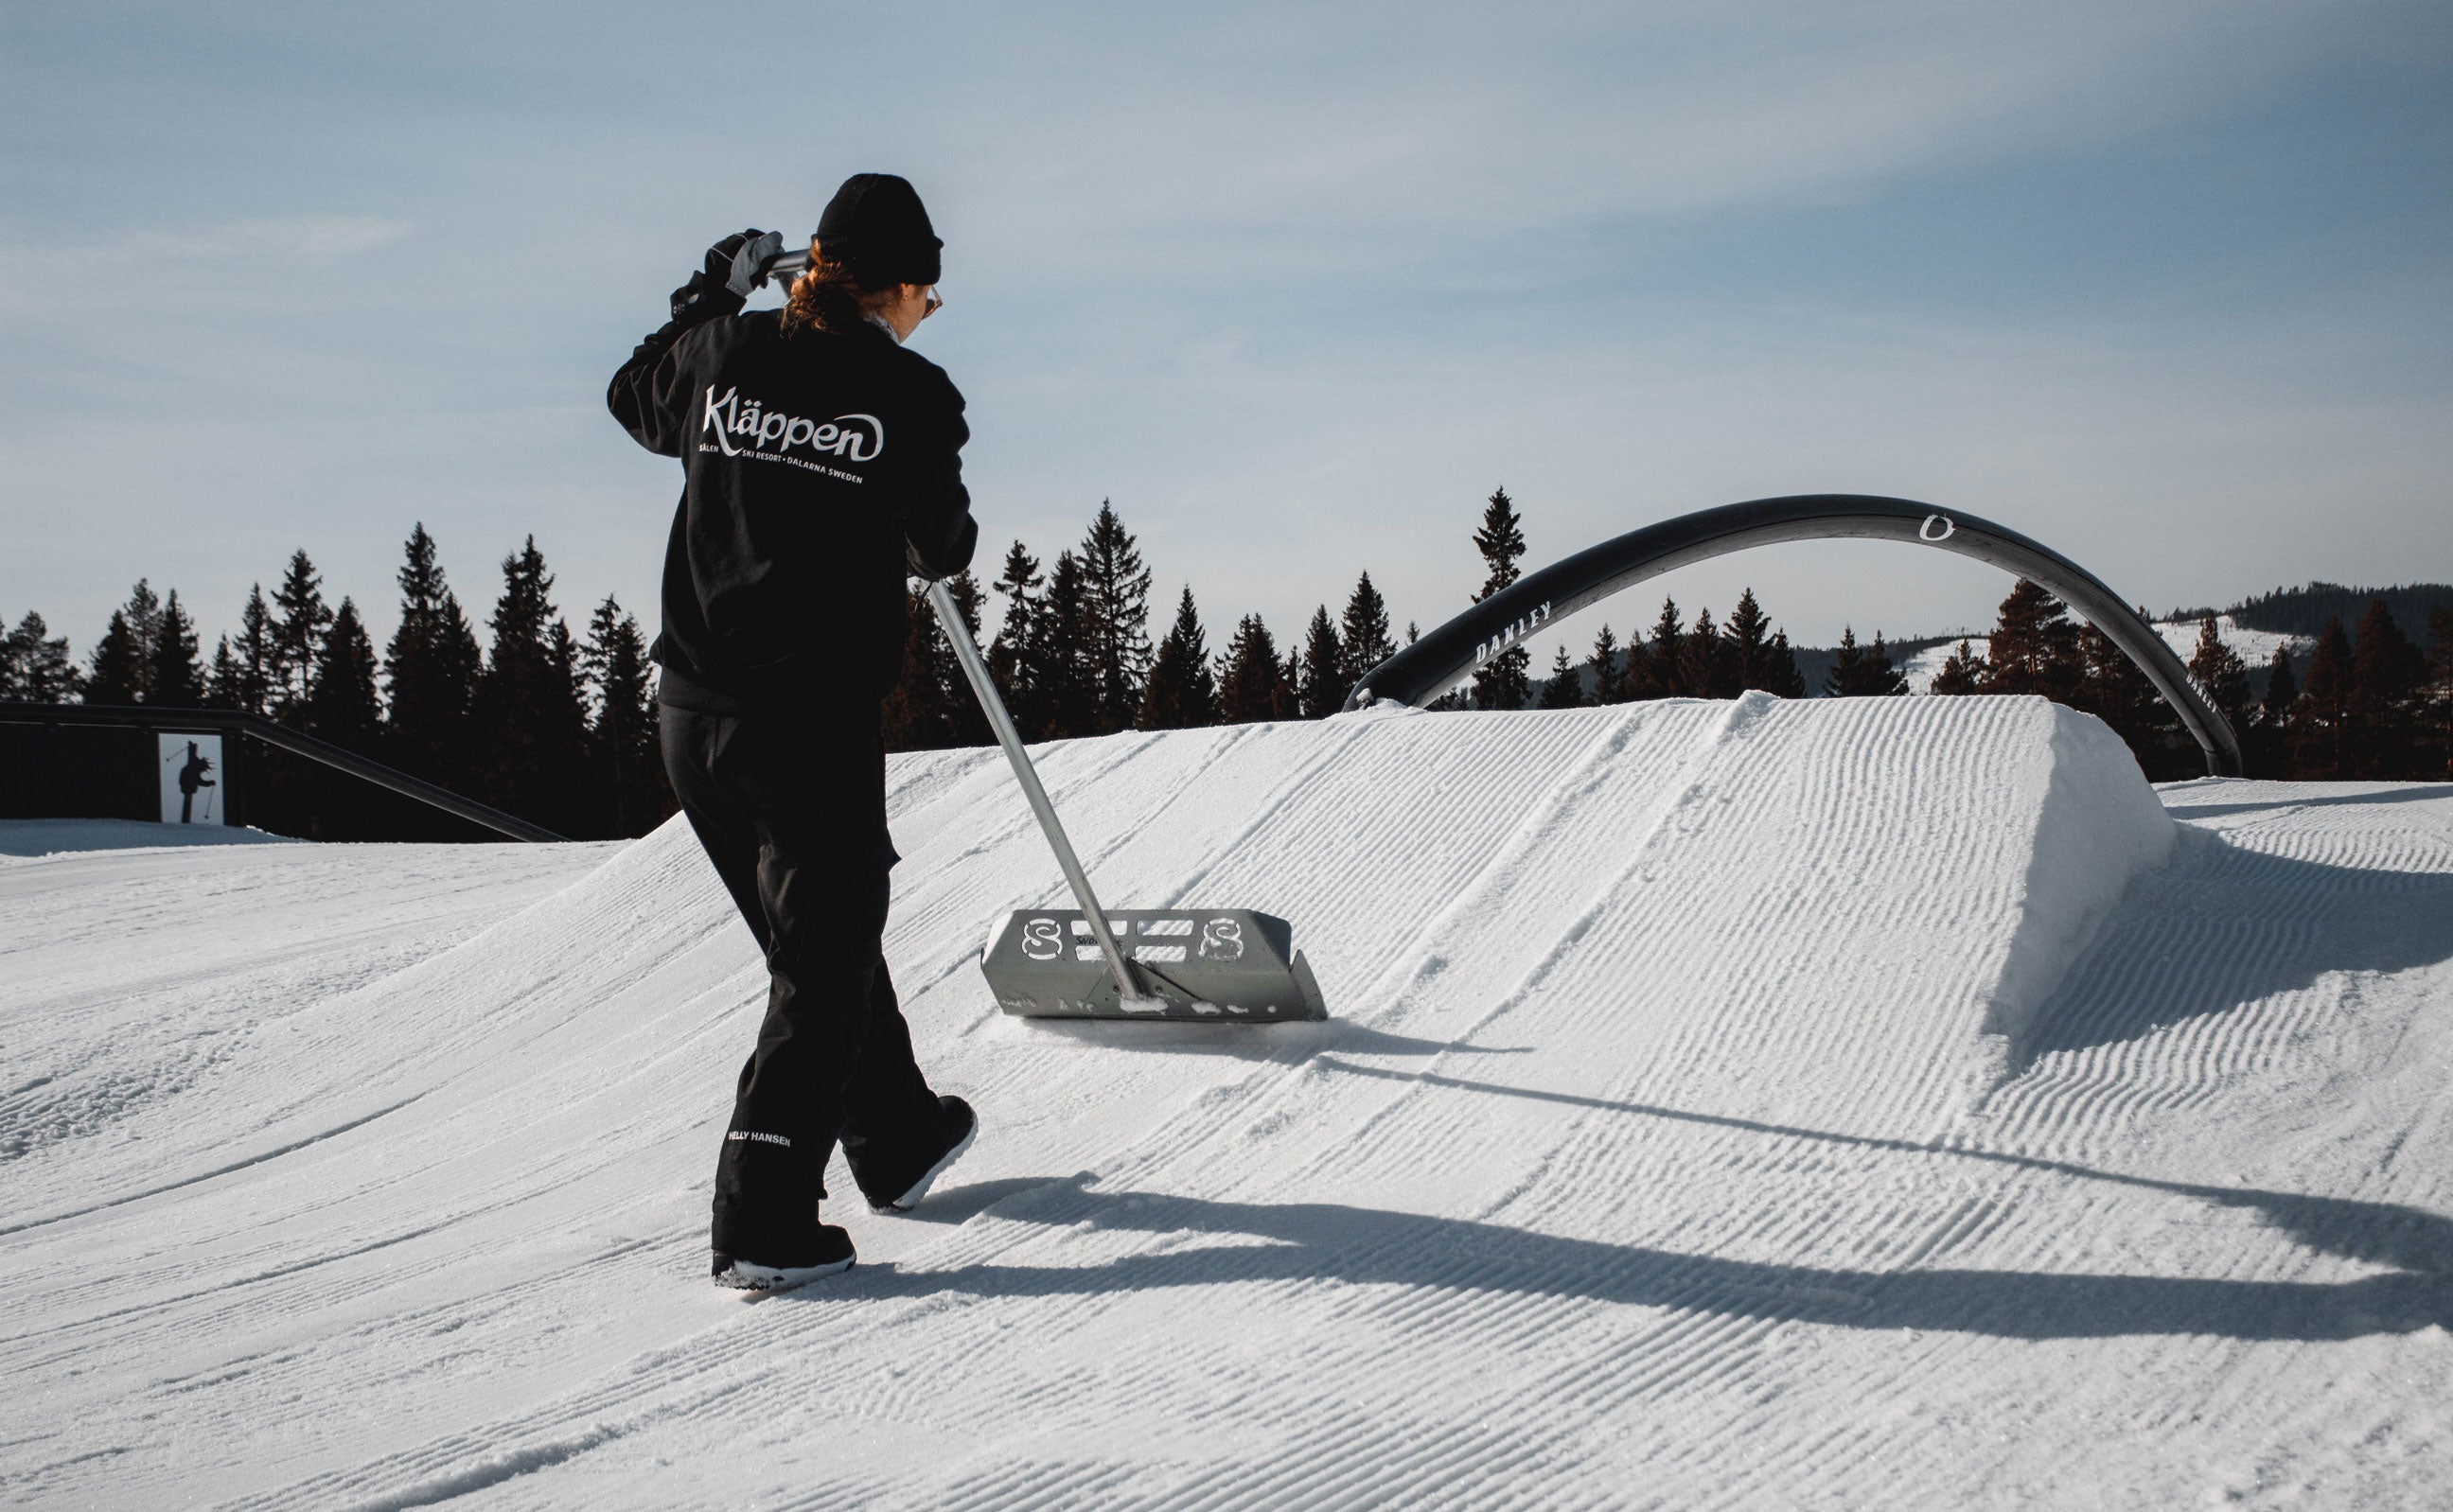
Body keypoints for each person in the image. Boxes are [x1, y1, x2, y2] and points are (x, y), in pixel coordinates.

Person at [608, 173, 980, 1292]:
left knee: (817, 939)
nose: (929, 313)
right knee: (817, 962)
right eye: (930, 293)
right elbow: (945, 542)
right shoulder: (909, 392)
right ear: (900, 287)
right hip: (807, 723)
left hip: (692, 717)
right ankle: (764, 1214)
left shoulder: (724, 351)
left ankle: (896, 1131)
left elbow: (636, 399)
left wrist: (701, 295)